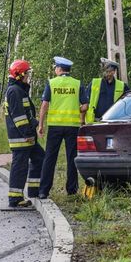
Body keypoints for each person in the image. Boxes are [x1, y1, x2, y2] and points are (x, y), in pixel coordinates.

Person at [38, 57, 89, 199]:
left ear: (59, 69)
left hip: (55, 126)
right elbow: (85, 106)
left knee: (49, 157)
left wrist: (41, 124)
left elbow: (44, 105)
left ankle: (43, 191)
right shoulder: (77, 84)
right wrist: (77, 111)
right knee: (72, 158)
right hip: (72, 126)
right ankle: (72, 190)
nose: (55, 70)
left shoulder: (52, 83)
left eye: (55, 68)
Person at [4, 59, 45, 208]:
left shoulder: (19, 89)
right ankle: (15, 198)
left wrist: (33, 126)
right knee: (19, 166)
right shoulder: (14, 91)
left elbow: (26, 114)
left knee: (40, 158)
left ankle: (34, 190)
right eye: (26, 73)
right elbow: (19, 117)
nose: (28, 76)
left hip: (27, 135)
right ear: (19, 75)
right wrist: (28, 133)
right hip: (21, 137)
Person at [85, 58, 130, 123]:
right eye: (105, 71)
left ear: (113, 71)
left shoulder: (122, 85)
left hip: (114, 122)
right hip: (95, 122)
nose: (106, 74)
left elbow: (129, 102)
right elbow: (85, 101)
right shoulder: (94, 83)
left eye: (109, 71)